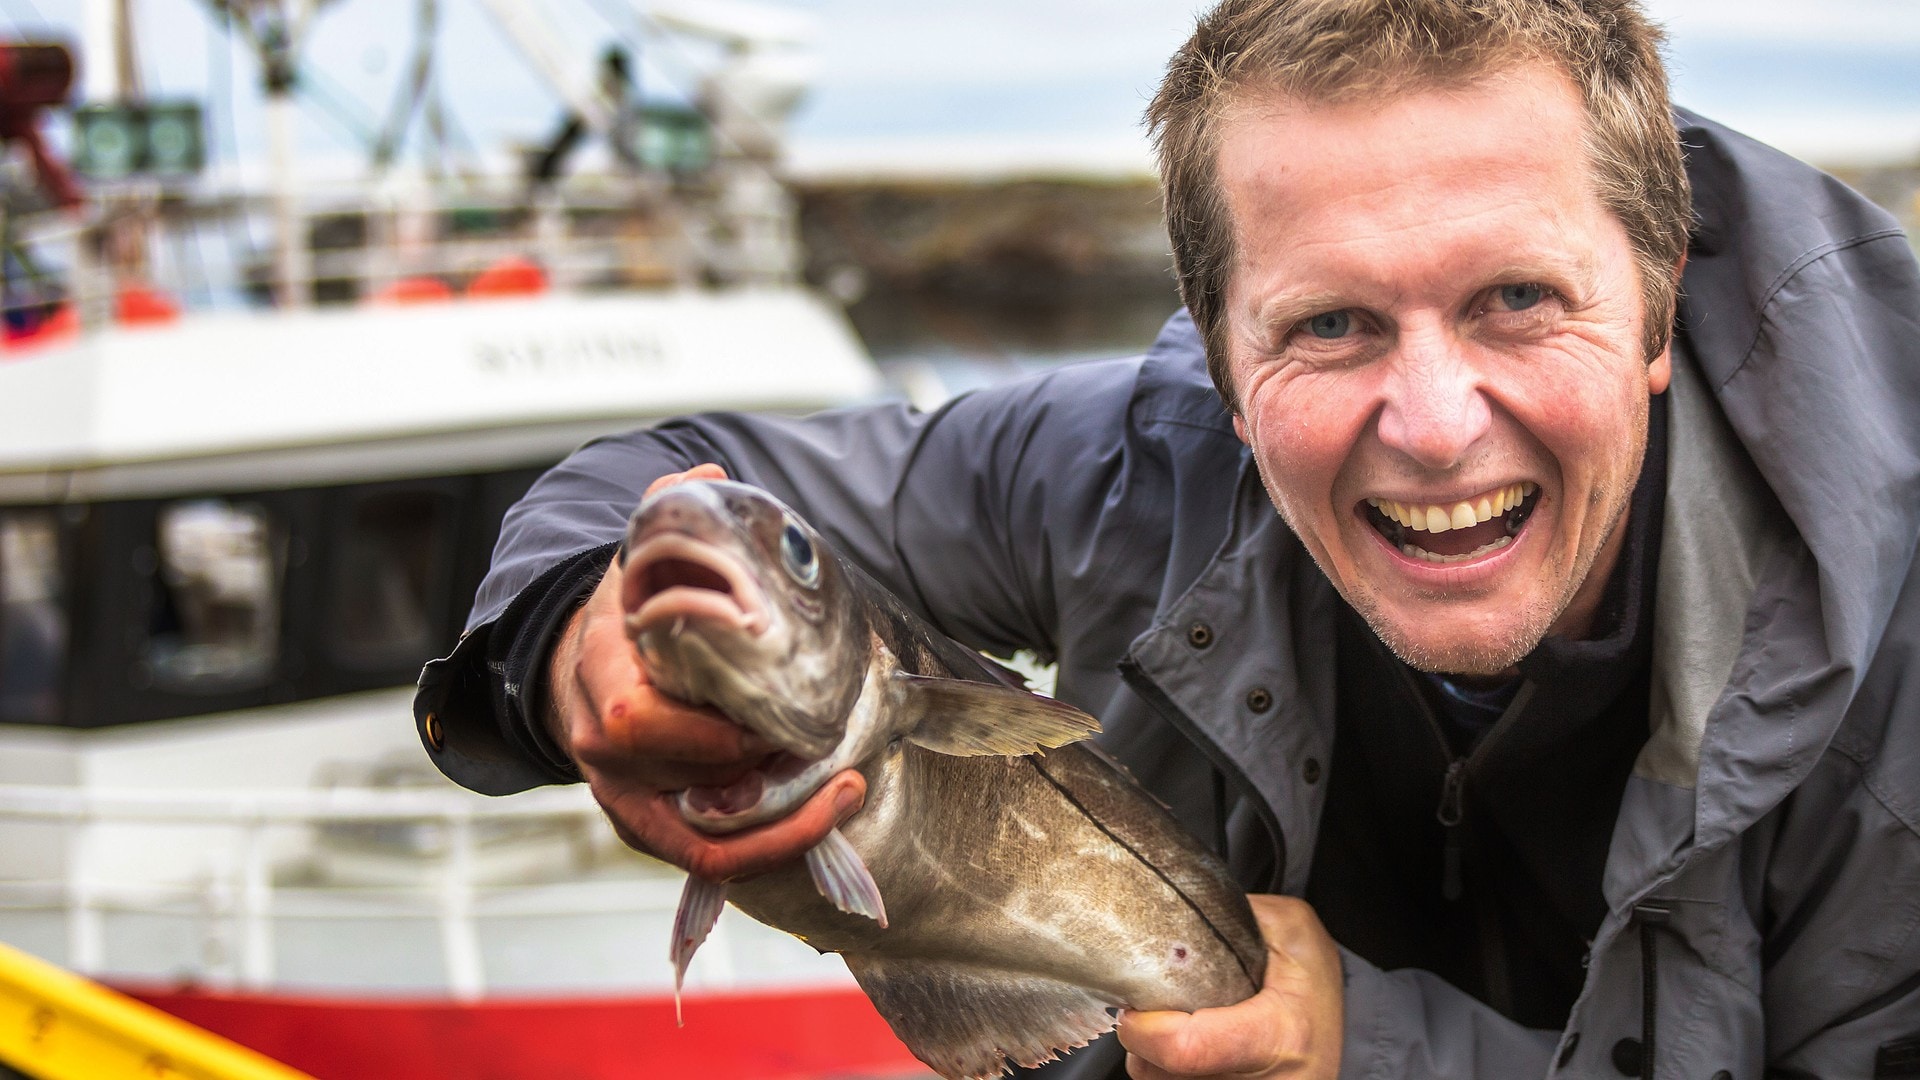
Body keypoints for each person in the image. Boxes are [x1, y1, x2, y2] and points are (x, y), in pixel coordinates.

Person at [413, 1, 1920, 1076]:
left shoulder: (1898, 650)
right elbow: (660, 475)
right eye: (1328, 325)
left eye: (1516, 300)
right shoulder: (1122, 465)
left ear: (1656, 302)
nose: (1433, 423)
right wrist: (573, 649)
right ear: (1218, 349)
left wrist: (1367, 1050)